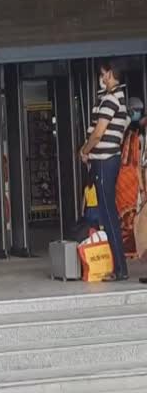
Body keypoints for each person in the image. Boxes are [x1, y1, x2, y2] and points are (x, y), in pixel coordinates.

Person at [79, 61, 129, 281]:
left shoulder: (111, 99)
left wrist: (84, 150)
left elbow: (98, 133)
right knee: (108, 215)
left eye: (102, 75)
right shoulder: (118, 98)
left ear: (109, 74)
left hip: (104, 161)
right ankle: (119, 267)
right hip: (108, 161)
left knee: (108, 216)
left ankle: (120, 269)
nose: (101, 79)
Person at [116, 97, 145, 255]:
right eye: (136, 110)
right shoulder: (126, 128)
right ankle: (129, 247)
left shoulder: (134, 131)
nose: (138, 114)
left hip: (129, 177)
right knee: (129, 216)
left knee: (131, 215)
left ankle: (131, 247)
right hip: (127, 177)